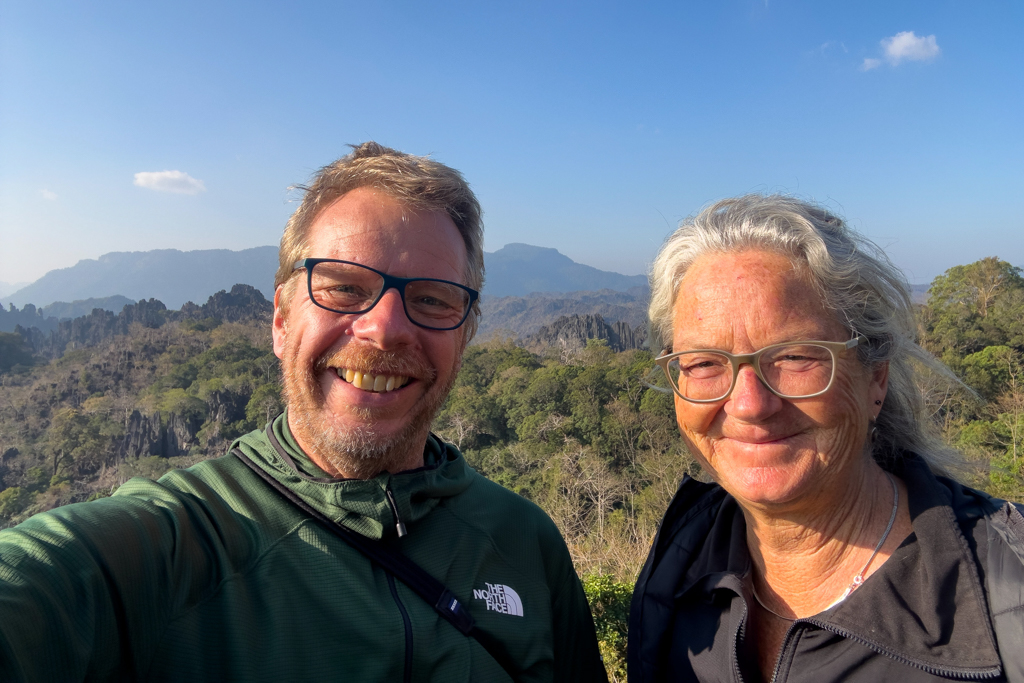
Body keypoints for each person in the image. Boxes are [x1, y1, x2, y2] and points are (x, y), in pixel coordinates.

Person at [0, 142, 607, 682]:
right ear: (281, 320)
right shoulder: (177, 546)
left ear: (466, 334)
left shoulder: (524, 542)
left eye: (431, 298)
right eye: (343, 286)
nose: (384, 328)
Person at [628, 195, 1024, 682]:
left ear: (875, 376)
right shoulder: (680, 562)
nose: (750, 405)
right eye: (704, 363)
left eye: (795, 357)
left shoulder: (1007, 596)